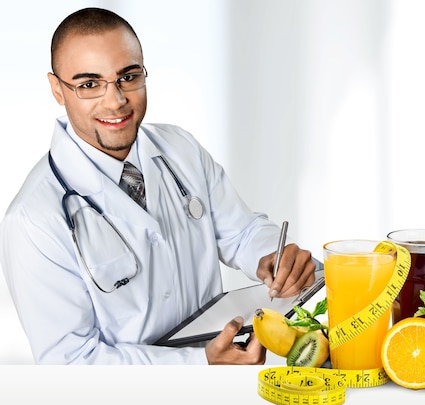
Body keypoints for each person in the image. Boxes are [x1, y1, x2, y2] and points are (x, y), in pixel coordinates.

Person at [0, 7, 316, 364]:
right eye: (89, 84)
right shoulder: (33, 219)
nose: (116, 100)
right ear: (57, 89)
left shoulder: (180, 149)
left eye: (128, 77)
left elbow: (241, 232)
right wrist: (200, 365)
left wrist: (270, 257)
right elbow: (70, 363)